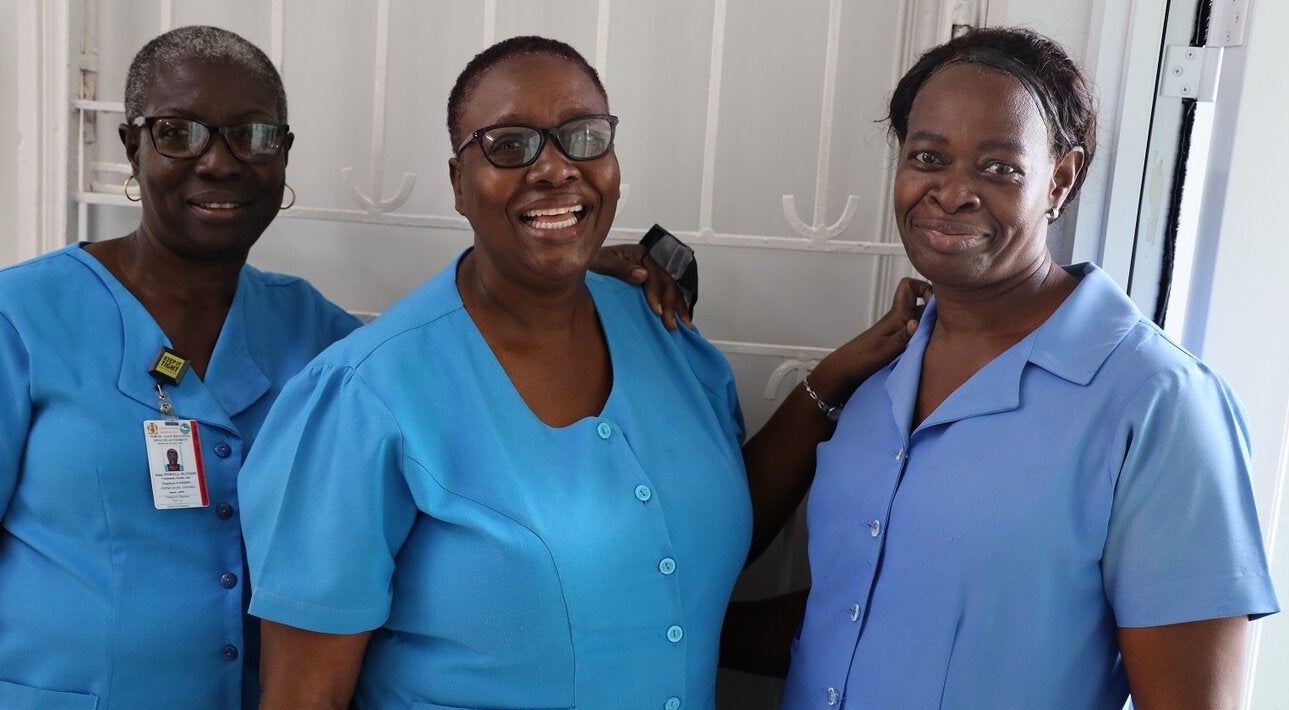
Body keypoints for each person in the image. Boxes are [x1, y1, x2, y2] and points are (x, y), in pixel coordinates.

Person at [0, 26, 675, 710]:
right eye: (178, 132)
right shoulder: (11, 324)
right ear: (132, 147)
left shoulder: (318, 336)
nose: (219, 161)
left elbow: (449, 341)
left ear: (284, 154)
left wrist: (565, 266)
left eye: (253, 135)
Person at [238, 35, 926, 709]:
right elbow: (306, 695)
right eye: (509, 144)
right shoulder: (363, 396)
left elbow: (696, 537)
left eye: (584, 137)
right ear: (458, 182)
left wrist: (835, 378)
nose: (555, 168)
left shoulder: (662, 331)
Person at [727, 27, 1280, 709]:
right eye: (929, 157)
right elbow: (859, 617)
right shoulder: (880, 379)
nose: (953, 192)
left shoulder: (1157, 403)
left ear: (1060, 179)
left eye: (999, 168)